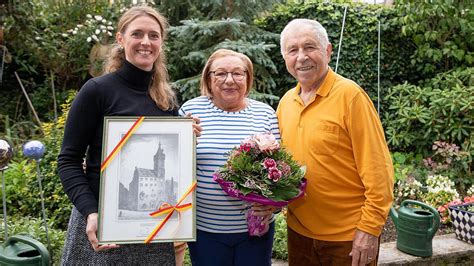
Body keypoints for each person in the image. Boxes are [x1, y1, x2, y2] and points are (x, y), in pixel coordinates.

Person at [58, 6, 200, 265]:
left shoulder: (166, 99)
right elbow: (68, 160)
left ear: (161, 42)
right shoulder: (97, 91)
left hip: (154, 234)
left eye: (154, 35)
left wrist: (188, 136)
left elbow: (179, 162)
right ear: (121, 39)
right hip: (101, 228)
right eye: (137, 34)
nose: (146, 42)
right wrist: (90, 211)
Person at [276, 19, 394, 266]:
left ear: (328, 51)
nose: (301, 57)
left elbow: (378, 169)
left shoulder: (351, 96)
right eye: (292, 50)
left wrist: (370, 228)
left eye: (310, 47)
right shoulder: (286, 102)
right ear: (284, 57)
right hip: (299, 233)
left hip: (347, 239)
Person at [178, 49, 279, 266]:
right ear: (209, 78)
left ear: (248, 78)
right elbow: (176, 164)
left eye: (238, 73)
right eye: (221, 74)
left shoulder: (265, 114)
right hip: (206, 230)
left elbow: (278, 170)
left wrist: (273, 205)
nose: (229, 80)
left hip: (255, 229)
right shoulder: (191, 110)